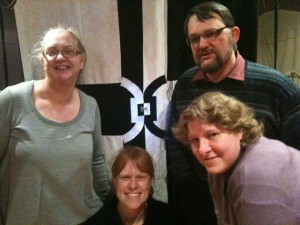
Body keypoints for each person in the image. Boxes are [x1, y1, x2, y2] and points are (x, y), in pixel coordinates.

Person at [165, 2, 300, 225]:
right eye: (195, 39)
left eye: (211, 34)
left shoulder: (277, 87)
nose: (202, 44)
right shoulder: (185, 86)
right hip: (201, 210)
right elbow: (175, 140)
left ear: (234, 34)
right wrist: (190, 190)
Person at [0, 25, 110, 225]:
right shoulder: (11, 100)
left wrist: (111, 206)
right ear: (43, 60)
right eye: (52, 52)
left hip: (86, 219)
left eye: (69, 51)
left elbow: (97, 162)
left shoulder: (90, 106)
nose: (60, 57)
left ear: (82, 60)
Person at [172, 91, 300, 224]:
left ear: (239, 131)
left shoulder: (256, 175)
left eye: (212, 135)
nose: (202, 149)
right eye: (194, 140)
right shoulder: (221, 163)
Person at [84, 146, 185, 225]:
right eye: (125, 177)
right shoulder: (96, 222)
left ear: (150, 181)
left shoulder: (173, 220)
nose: (133, 185)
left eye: (140, 177)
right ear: (114, 181)